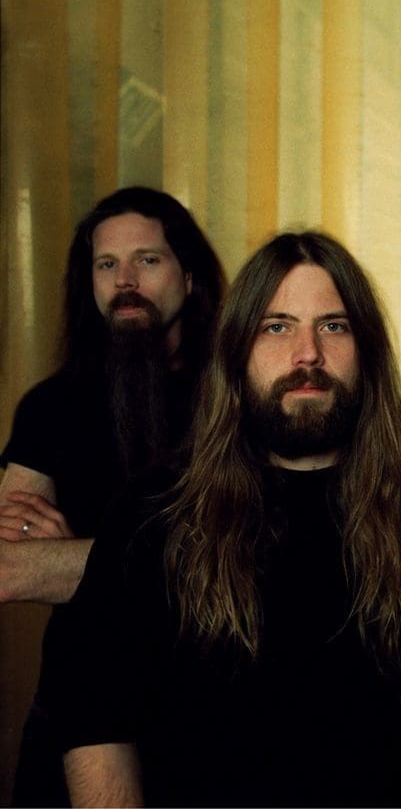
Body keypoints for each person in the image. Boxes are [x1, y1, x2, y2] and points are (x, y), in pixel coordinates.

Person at [51, 231, 401, 807]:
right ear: (236, 351)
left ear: (367, 349)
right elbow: (94, 715)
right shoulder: (154, 510)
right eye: (277, 327)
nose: (308, 354)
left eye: (334, 326)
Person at [0, 186, 225, 807]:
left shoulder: (235, 400)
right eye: (107, 264)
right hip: (76, 700)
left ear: (188, 276)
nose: (125, 280)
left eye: (147, 260)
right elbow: (8, 566)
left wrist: (69, 554)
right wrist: (170, 558)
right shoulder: (50, 406)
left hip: (206, 704)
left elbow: (238, 558)